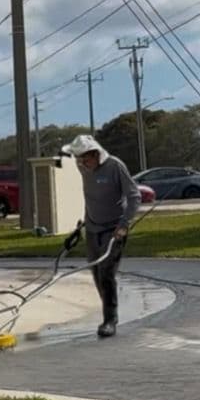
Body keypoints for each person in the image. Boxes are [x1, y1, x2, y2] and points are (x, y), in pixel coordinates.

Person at [60, 134, 141, 337]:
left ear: (95, 154)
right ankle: (108, 309)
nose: (81, 164)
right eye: (78, 159)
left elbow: (134, 196)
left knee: (106, 273)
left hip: (114, 229)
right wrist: (82, 225)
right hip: (92, 228)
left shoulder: (115, 166)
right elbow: (90, 198)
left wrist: (124, 224)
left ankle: (110, 320)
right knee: (96, 274)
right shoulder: (84, 168)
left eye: (84, 159)